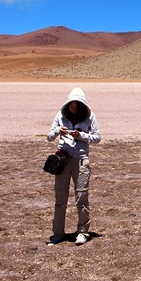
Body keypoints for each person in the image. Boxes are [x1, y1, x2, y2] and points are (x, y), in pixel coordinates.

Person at [46, 87, 101, 246]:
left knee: (81, 198)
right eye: (72, 106)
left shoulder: (90, 117)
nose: (74, 109)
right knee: (60, 199)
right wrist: (58, 130)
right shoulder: (60, 115)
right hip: (63, 161)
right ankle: (58, 234)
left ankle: (82, 232)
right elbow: (49, 137)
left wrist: (81, 135)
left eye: (77, 107)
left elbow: (97, 137)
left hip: (81, 161)